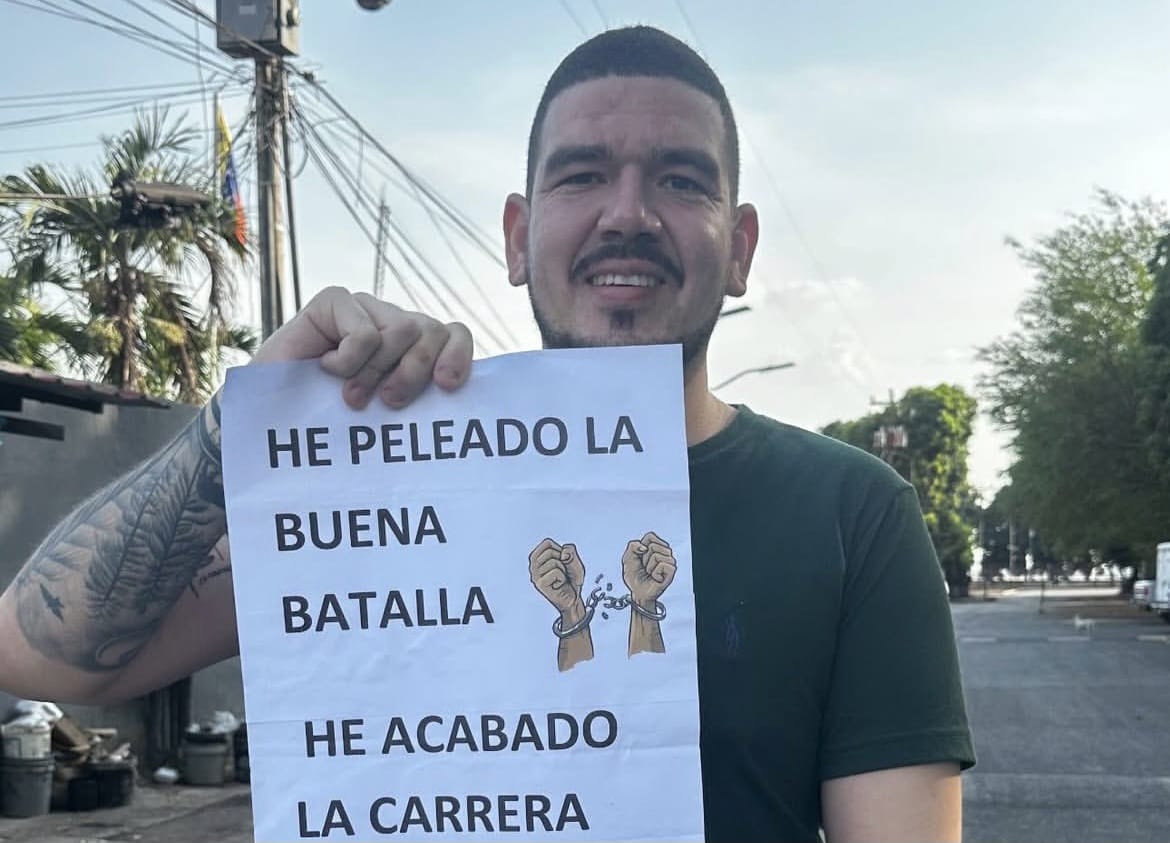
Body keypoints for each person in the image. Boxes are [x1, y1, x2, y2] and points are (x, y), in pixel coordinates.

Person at [0, 25, 974, 842]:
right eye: (582, 175)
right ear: (517, 235)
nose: (628, 213)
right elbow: (38, 656)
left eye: (681, 181)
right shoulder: (370, 477)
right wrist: (241, 420)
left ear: (741, 246)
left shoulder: (851, 514)